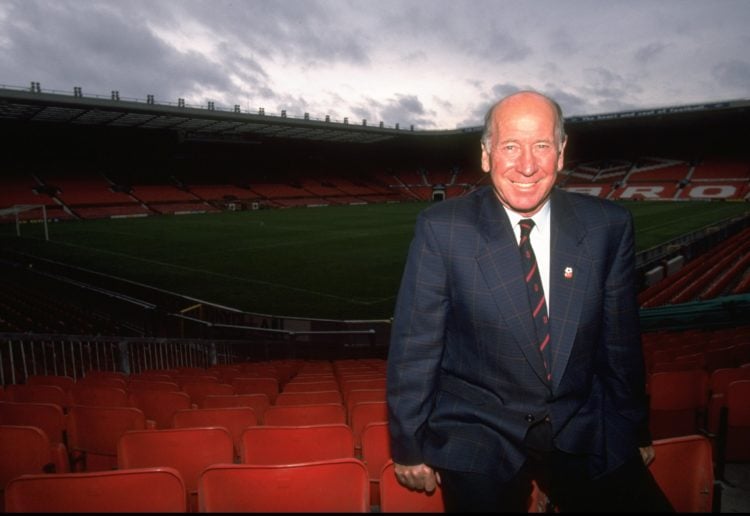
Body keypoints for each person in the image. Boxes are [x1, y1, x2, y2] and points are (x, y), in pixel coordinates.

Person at [386, 90, 674, 512]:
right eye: (510, 146)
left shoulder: (607, 227)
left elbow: (620, 344)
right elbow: (416, 346)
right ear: (486, 155)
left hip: (581, 422)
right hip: (478, 427)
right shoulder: (442, 229)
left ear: (560, 153)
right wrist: (408, 443)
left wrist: (635, 428)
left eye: (541, 145)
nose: (526, 165)